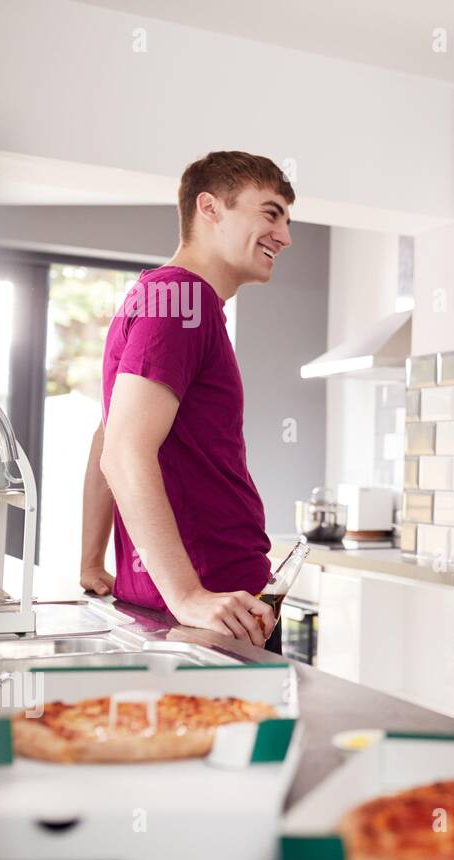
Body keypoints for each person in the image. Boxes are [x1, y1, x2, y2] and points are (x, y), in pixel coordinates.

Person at [80, 150, 293, 647]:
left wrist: (93, 560)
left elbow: (107, 436)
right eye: (270, 213)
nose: (284, 236)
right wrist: (187, 595)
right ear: (210, 208)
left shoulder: (156, 297)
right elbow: (124, 450)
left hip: (199, 602)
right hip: (218, 603)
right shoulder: (184, 299)